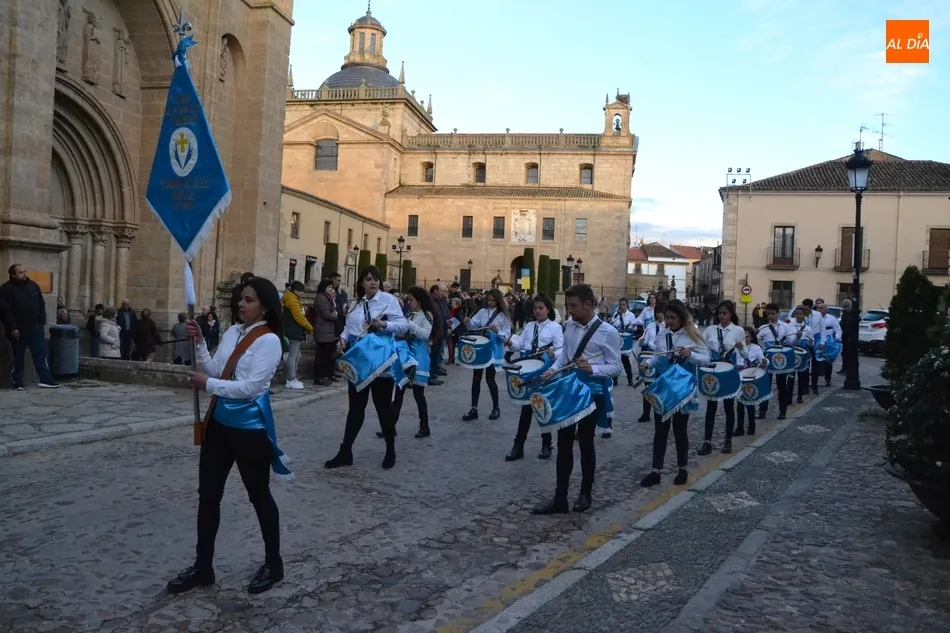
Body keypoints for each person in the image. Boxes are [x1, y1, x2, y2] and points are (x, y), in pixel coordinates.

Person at [166, 276, 291, 596]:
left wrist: (206, 384)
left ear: (264, 306)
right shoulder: (234, 331)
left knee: (259, 497)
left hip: (250, 432)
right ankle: (203, 566)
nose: (241, 304)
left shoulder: (270, 341)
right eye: (240, 299)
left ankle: (273, 564)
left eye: (249, 300)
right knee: (208, 497)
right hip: (219, 427)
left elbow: (250, 389)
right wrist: (197, 343)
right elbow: (215, 368)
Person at [532, 285, 621, 514]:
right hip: (569, 390)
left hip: (592, 393)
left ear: (588, 305)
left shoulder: (607, 331)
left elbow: (615, 367)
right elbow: (565, 356)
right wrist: (552, 369)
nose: (569, 310)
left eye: (573, 306)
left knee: (586, 443)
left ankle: (585, 493)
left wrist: (593, 368)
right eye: (568, 305)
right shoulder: (570, 325)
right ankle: (560, 498)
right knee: (563, 442)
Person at [325, 266, 407, 470]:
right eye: (368, 279)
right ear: (361, 282)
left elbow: (403, 325)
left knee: (383, 408)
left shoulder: (388, 300)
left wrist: (384, 325)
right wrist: (342, 340)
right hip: (359, 362)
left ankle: (390, 449)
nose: (372, 282)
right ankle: (346, 452)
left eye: (376, 279)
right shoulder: (354, 304)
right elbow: (348, 329)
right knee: (355, 408)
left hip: (380, 362)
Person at [639, 300, 709, 488]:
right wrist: (648, 363)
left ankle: (682, 468)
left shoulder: (692, 334)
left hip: (682, 389)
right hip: (664, 387)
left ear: (681, 317)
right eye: (666, 317)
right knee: (660, 430)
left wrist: (690, 355)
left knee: (680, 430)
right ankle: (656, 471)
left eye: (672, 318)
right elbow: (658, 356)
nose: (668, 321)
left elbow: (705, 359)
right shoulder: (663, 333)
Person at [503, 294, 564, 461]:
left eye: (541, 308)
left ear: (548, 309)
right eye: (535, 308)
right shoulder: (529, 326)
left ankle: (546, 444)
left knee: (542, 407)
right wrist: (510, 343)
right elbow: (520, 343)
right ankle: (518, 446)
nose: (537, 311)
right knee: (526, 409)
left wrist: (554, 353)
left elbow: (561, 349)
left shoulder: (554, 327)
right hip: (528, 369)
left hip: (544, 370)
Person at [389, 286, 438, 439]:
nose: (408, 302)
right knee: (399, 391)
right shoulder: (410, 314)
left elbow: (425, 334)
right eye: (407, 300)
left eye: (411, 300)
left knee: (418, 394)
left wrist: (409, 324)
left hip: (420, 356)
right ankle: (390, 426)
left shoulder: (427, 315)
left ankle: (425, 427)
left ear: (419, 301)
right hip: (407, 356)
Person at [0, 264, 58, 389]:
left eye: (24, 271)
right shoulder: (6, 289)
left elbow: (41, 304)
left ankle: (46, 379)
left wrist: (41, 321)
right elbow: (5, 311)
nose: (24, 274)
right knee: (18, 357)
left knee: (40, 355)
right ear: (13, 275)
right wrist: (12, 328)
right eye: (20, 272)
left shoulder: (33, 286)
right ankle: (17, 381)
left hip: (35, 327)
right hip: (18, 329)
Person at [698, 300, 745, 455]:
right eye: (719, 313)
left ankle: (728, 441)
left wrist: (741, 348)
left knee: (728, 408)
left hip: (729, 371)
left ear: (731, 314)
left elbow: (744, 355)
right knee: (711, 408)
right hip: (714, 371)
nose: (721, 316)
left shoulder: (738, 330)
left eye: (724, 313)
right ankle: (707, 442)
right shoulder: (710, 330)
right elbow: (701, 346)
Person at [461, 288, 512, 421]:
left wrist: (498, 331)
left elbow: (507, 336)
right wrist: (468, 322)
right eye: (488, 300)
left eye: (492, 301)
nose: (490, 303)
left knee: (490, 379)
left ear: (498, 301)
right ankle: (474, 408)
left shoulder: (503, 316)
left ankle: (496, 408)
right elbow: (474, 326)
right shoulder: (482, 312)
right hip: (481, 347)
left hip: (493, 349)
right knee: (476, 378)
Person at [757, 303, 796, 420]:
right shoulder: (763, 328)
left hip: (780, 361)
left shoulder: (785, 327)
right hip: (768, 361)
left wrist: (797, 338)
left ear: (777, 314)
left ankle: (782, 411)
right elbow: (757, 343)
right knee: (765, 386)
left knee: (781, 386)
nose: (770, 316)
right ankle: (762, 411)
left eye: (773, 314)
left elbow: (791, 343)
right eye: (768, 314)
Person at [635, 306, 666, 423]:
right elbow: (645, 339)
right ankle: (646, 413)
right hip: (650, 356)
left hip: (662, 358)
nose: (659, 315)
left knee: (659, 385)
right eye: (657, 312)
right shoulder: (650, 326)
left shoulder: (667, 327)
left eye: (661, 312)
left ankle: (660, 409)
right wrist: (641, 340)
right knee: (647, 385)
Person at [281, 280, 312, 390]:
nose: (302, 293)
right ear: (295, 291)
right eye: (301, 291)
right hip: (294, 331)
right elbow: (299, 317)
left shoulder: (292, 300)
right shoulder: (293, 302)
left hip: (293, 330)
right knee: (293, 355)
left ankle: (292, 377)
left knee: (296, 355)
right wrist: (309, 327)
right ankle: (290, 378)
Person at [735, 326, 766, 436]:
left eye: (747, 336)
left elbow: (762, 360)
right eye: (743, 336)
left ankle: (751, 425)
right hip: (739, 376)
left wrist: (763, 363)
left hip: (750, 376)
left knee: (750, 402)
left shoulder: (756, 348)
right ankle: (739, 427)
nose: (745, 338)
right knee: (739, 403)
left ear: (752, 337)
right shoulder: (736, 348)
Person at [311, 279, 338, 386]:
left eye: (332, 287)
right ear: (324, 288)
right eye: (329, 287)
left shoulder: (328, 298)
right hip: (323, 330)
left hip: (327, 331)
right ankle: (319, 377)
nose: (332, 289)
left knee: (327, 354)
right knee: (321, 355)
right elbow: (326, 314)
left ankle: (326, 375)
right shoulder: (321, 298)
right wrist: (335, 315)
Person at [787, 306, 814, 404]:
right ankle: (789, 397)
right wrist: (797, 338)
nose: (798, 316)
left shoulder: (808, 328)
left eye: (800, 314)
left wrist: (811, 342)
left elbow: (812, 342)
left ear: (804, 315)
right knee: (791, 376)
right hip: (792, 354)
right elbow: (790, 343)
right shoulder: (790, 327)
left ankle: (799, 396)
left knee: (802, 376)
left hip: (803, 355)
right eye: (797, 314)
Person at [610, 298, 637, 388]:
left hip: (626, 339)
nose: (622, 306)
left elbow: (635, 327)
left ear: (627, 305)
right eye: (620, 305)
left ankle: (630, 379)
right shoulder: (616, 315)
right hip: (617, 339)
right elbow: (612, 325)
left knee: (625, 360)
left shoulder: (631, 315)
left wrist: (632, 327)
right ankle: (615, 379)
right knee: (616, 359)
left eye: (623, 305)